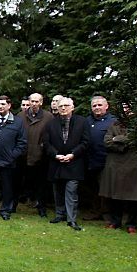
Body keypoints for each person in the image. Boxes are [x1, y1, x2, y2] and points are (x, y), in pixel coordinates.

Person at [45, 97, 90, 231]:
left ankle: (71, 219)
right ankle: (60, 214)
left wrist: (73, 154)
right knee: (57, 191)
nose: (63, 108)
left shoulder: (82, 122)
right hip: (56, 162)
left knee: (71, 192)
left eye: (66, 105)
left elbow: (86, 142)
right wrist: (55, 155)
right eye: (61, 106)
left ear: (72, 107)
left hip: (74, 163)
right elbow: (46, 143)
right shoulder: (51, 124)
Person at [100, 106, 137, 232]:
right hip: (115, 164)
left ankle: (132, 224)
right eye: (124, 107)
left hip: (133, 163)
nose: (126, 110)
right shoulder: (114, 124)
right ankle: (115, 222)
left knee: (133, 196)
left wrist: (117, 138)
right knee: (115, 195)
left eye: (129, 107)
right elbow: (107, 141)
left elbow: (135, 140)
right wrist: (120, 144)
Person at [82, 95, 116, 221]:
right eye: (94, 106)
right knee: (92, 189)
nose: (97, 108)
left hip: (106, 161)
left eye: (99, 105)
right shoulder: (87, 121)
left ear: (106, 106)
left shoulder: (113, 121)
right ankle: (95, 211)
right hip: (89, 161)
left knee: (106, 190)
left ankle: (108, 214)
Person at [20, 93, 52, 217]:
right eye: (32, 101)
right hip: (22, 155)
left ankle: (42, 207)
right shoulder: (20, 116)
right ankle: (13, 206)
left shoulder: (48, 117)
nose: (34, 104)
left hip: (41, 157)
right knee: (18, 182)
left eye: (36, 101)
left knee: (41, 185)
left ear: (41, 102)